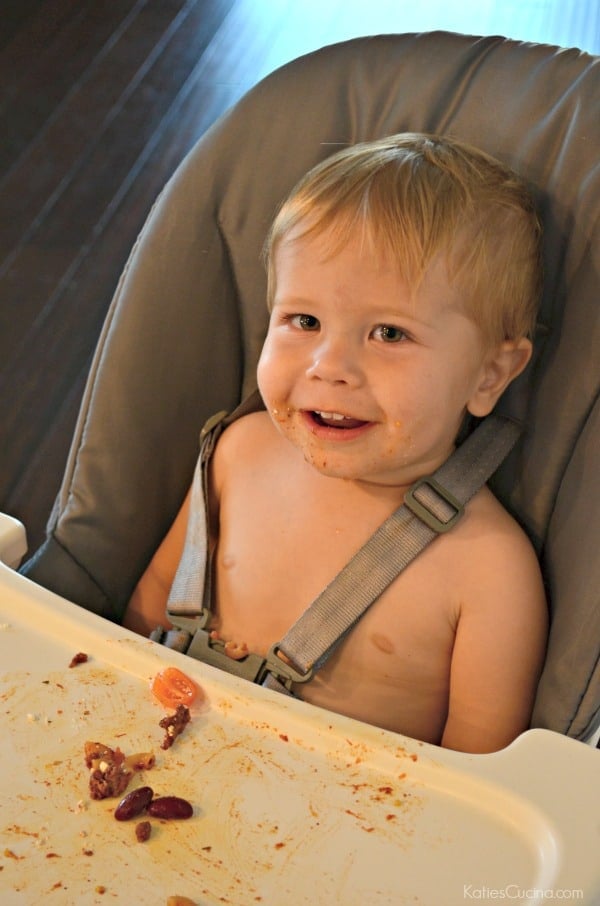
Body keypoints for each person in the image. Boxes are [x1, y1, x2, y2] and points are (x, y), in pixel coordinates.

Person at [123, 133, 548, 754]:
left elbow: (482, 792)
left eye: (389, 332)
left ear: (490, 374)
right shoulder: (238, 453)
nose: (330, 365)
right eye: (304, 321)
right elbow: (149, 609)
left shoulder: (488, 572)